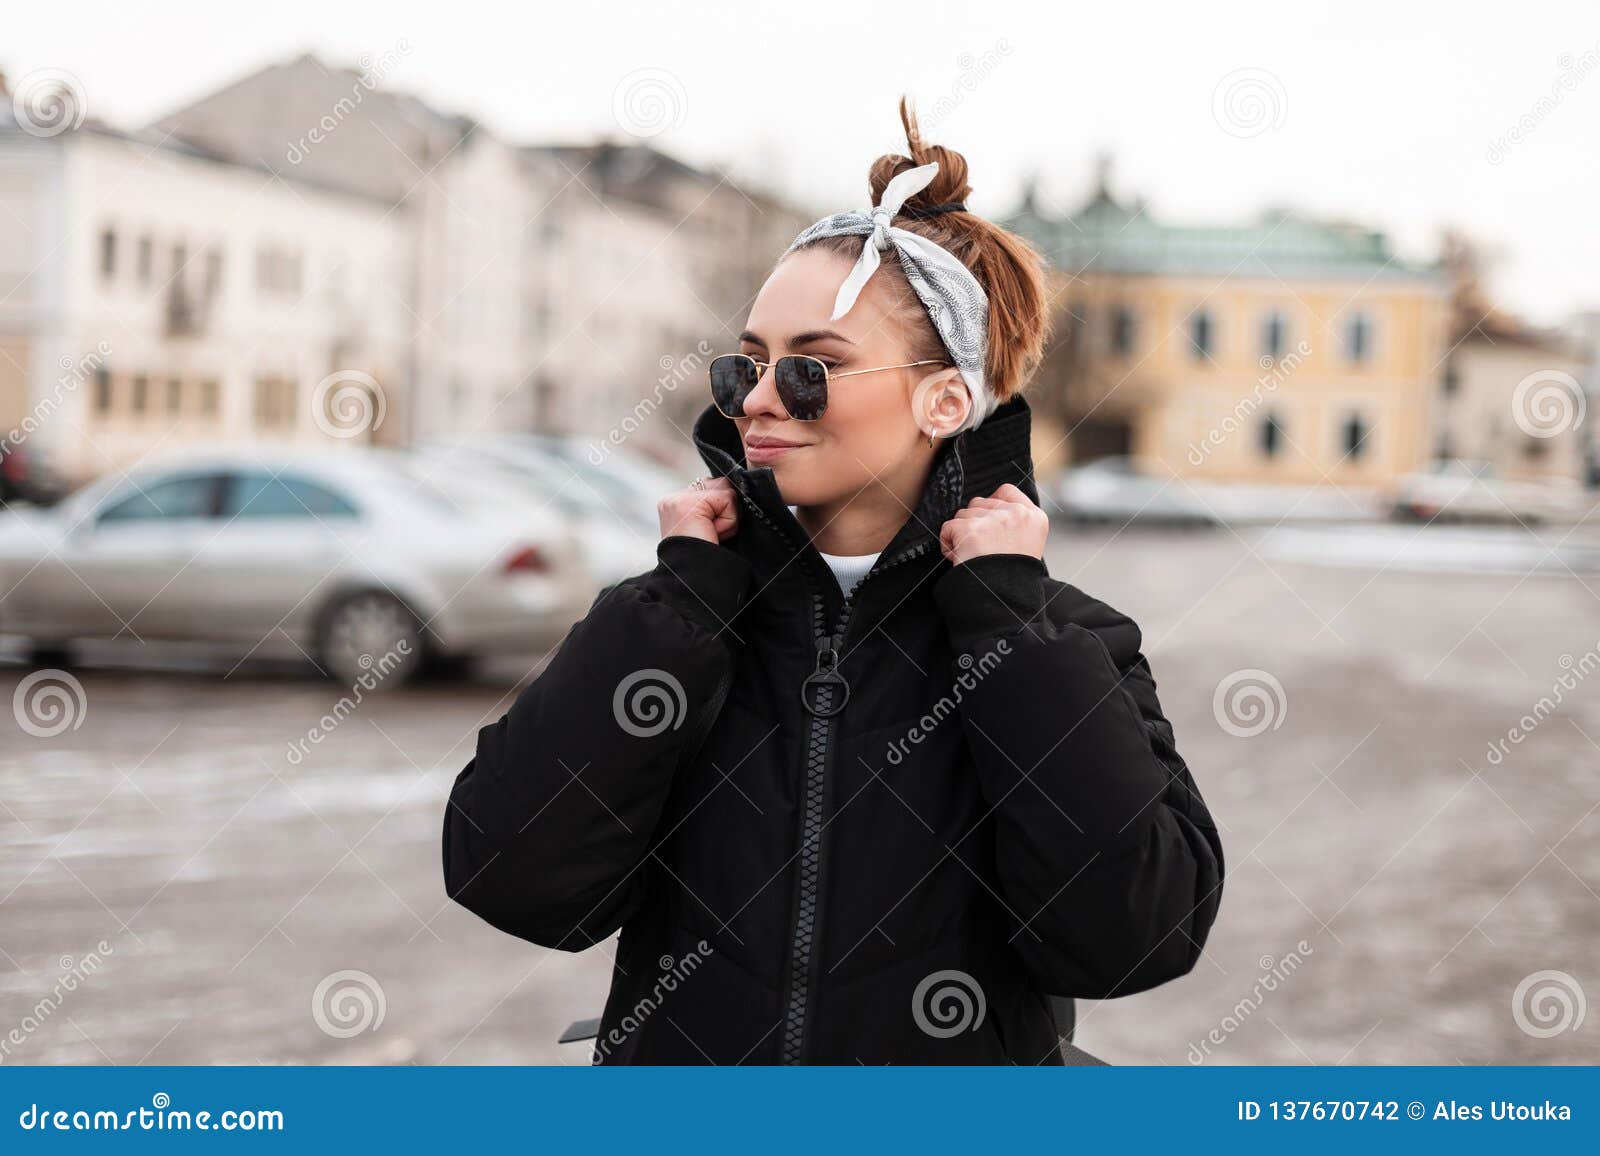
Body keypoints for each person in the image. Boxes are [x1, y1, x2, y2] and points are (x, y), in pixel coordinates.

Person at [443, 98, 1225, 1064]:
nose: (759, 402)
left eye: (814, 369)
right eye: (747, 367)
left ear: (945, 399)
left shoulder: (1062, 639)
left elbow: (1131, 938)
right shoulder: (680, 617)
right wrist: (677, 608)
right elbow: (511, 880)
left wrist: (1006, 628)